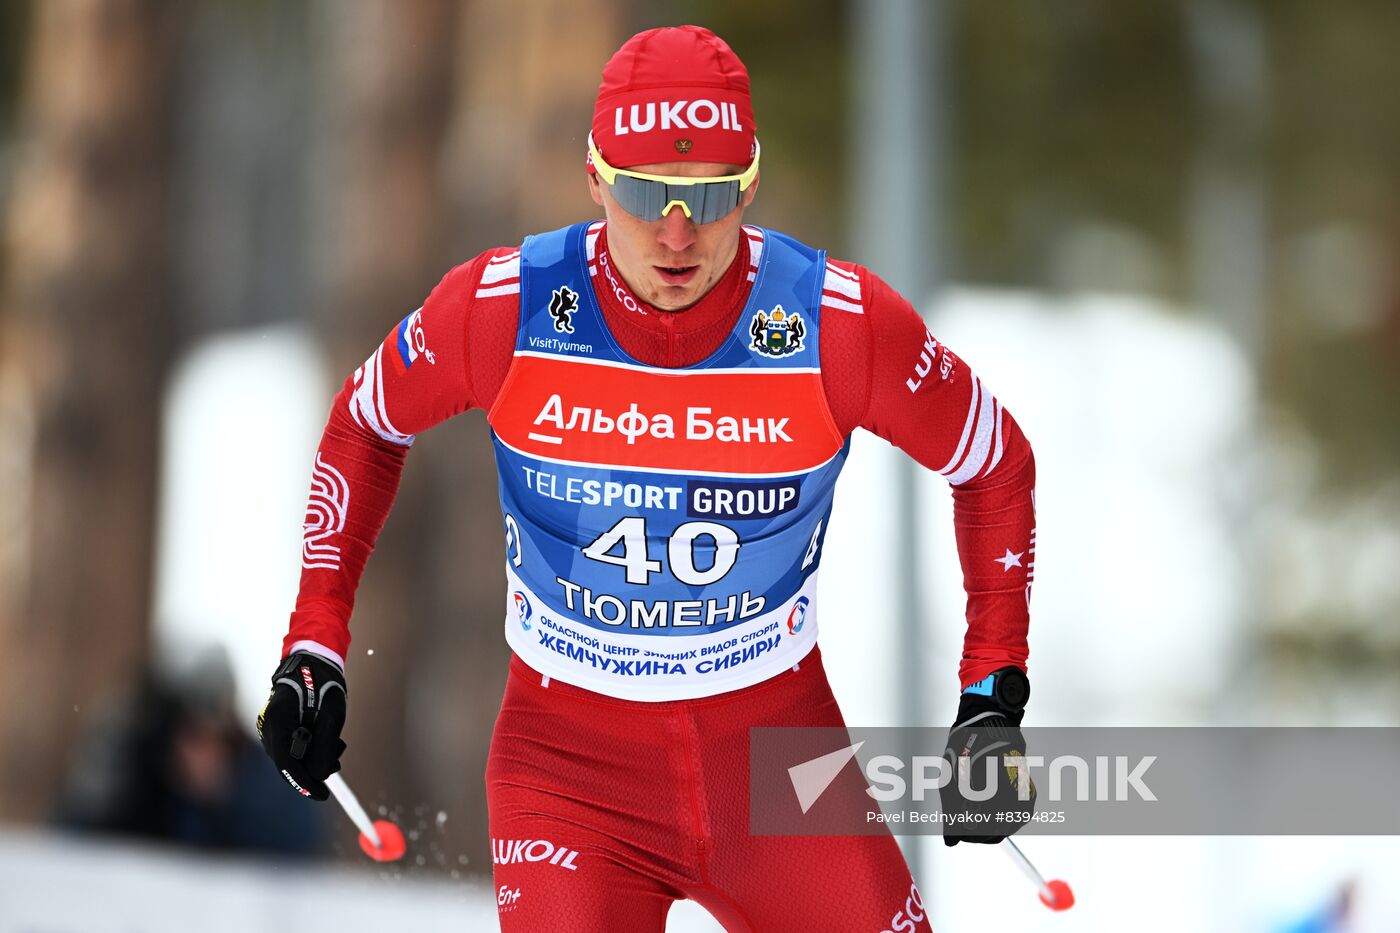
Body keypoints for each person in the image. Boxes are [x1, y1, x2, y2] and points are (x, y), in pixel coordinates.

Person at [258, 25, 1036, 932]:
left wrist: (993, 689)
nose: (677, 232)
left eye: (707, 195)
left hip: (775, 766)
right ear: (593, 177)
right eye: (643, 193)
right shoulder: (504, 306)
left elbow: (994, 461)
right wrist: (315, 643)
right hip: (568, 775)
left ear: (749, 183)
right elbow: (364, 421)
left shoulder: (838, 325)